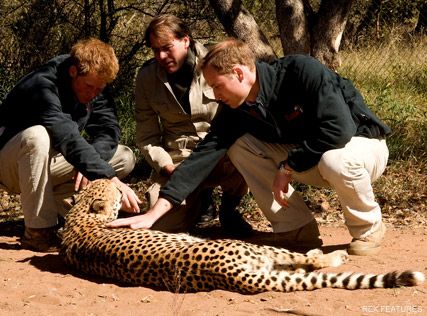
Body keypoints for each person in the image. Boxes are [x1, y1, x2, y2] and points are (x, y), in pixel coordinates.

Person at [109, 38, 391, 256]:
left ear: (239, 73)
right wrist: (153, 213)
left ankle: (368, 229)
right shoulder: (236, 109)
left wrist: (289, 165)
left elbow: (338, 129)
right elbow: (203, 157)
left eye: (217, 86)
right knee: (239, 145)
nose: (215, 96)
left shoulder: (301, 71)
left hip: (361, 146)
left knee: (334, 159)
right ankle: (296, 230)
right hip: (311, 158)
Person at [0, 38, 141, 252]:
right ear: (73, 71)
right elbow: (66, 134)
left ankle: (69, 210)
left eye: (99, 89)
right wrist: (106, 176)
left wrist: (93, 159)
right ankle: (39, 231)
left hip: (47, 164)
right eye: (89, 87)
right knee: (37, 135)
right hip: (8, 165)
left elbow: (108, 130)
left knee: (124, 156)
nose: (93, 94)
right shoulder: (42, 85)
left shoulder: (94, 85)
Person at [133, 14, 251, 234]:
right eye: (155, 50)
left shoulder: (217, 62)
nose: (161, 55)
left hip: (220, 149)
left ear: (185, 40)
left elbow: (241, 111)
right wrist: (166, 166)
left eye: (167, 48)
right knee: (160, 228)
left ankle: (230, 208)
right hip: (178, 158)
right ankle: (200, 203)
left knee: (246, 148)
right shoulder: (146, 78)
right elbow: (146, 137)